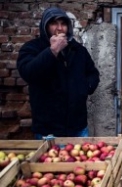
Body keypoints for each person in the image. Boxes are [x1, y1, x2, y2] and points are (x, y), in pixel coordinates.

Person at [17, 7, 100, 139]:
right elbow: (28, 73)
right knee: (50, 160)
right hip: (48, 130)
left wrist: (84, 88)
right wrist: (53, 51)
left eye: (63, 24)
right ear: (45, 26)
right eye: (54, 23)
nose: (59, 28)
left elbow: (93, 73)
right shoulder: (32, 48)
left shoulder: (78, 50)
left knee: (82, 159)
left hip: (77, 126)